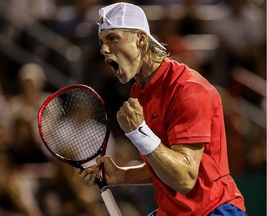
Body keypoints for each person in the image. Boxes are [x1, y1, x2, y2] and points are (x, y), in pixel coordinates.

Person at [77, 2, 246, 215]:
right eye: (101, 41)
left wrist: (139, 132)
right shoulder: (139, 93)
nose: (103, 49)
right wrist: (122, 176)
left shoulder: (188, 90)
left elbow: (184, 178)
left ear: (140, 40)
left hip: (212, 210)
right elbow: (164, 165)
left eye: (113, 38)